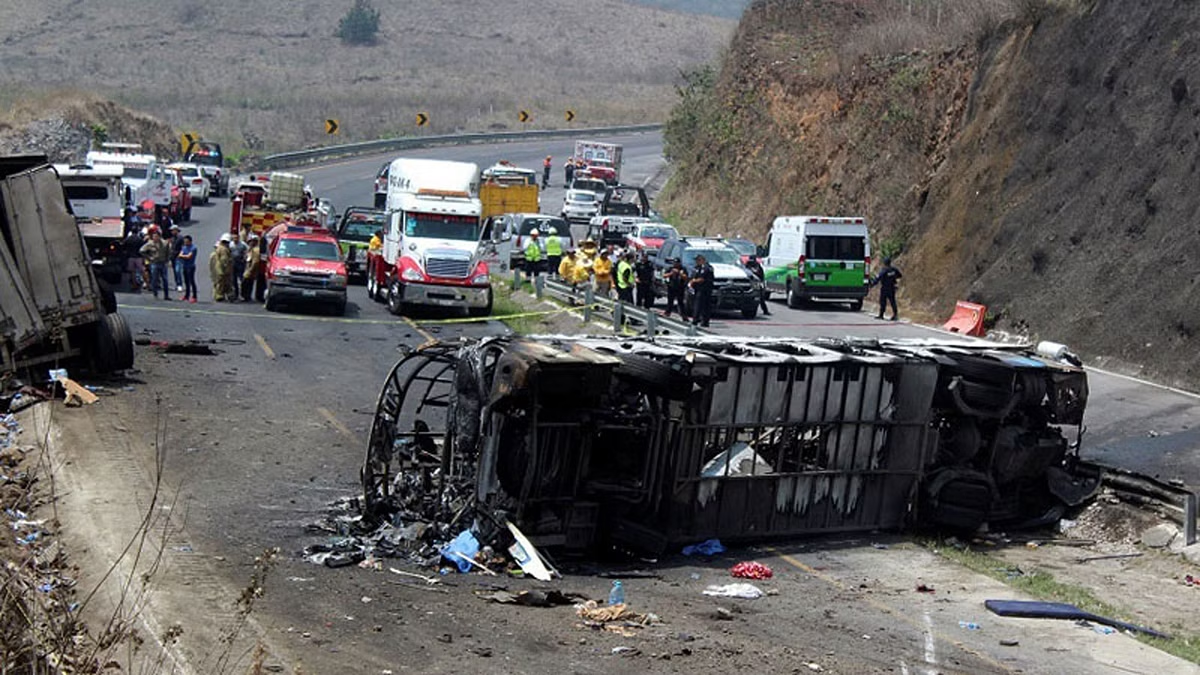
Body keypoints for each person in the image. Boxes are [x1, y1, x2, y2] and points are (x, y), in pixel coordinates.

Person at [139, 229, 172, 300]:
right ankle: (155, 294)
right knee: (154, 279)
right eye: (154, 236)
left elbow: (168, 252)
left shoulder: (165, 243)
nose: (155, 238)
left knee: (165, 279)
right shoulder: (150, 244)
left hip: (162, 263)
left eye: (156, 236)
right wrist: (149, 258)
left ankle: (166, 295)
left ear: (159, 237)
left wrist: (167, 260)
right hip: (154, 263)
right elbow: (142, 250)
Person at [872, 256, 903, 320]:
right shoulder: (894, 269)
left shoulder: (884, 270)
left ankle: (881, 315)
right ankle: (895, 315)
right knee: (893, 302)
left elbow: (878, 278)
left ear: (884, 263)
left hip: (885, 288)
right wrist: (894, 279)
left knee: (883, 301)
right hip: (892, 287)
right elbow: (900, 275)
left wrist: (872, 284)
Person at [689, 254, 715, 327]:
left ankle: (701, 321)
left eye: (698, 260)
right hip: (698, 289)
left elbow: (702, 279)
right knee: (698, 305)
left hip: (705, 289)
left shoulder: (707, 268)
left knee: (702, 306)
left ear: (702, 260)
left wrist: (693, 281)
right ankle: (699, 320)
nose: (696, 262)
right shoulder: (698, 267)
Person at [243, 234, 265, 302]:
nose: (250, 243)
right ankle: (247, 297)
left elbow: (255, 262)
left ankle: (247, 296)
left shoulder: (256, 250)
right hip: (248, 268)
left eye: (252, 241)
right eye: (250, 241)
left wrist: (251, 270)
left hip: (252, 270)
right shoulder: (250, 249)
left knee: (247, 283)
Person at [211, 236, 233, 301]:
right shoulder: (224, 249)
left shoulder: (219, 248)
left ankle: (218, 295)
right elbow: (224, 260)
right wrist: (226, 268)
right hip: (223, 269)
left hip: (218, 269)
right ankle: (220, 295)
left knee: (219, 282)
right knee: (224, 283)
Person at [123, 225, 145, 292]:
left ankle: (134, 285)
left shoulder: (128, 239)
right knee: (142, 270)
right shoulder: (139, 239)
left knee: (132, 272)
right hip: (138, 257)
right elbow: (143, 247)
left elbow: (124, 245)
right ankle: (146, 283)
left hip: (131, 257)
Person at [178, 235, 198, 302]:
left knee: (192, 281)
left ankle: (194, 297)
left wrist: (183, 256)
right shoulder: (184, 247)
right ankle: (186, 296)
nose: (185, 243)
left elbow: (188, 257)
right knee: (186, 282)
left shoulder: (193, 248)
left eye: (187, 242)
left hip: (191, 266)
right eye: (185, 242)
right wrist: (184, 256)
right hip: (185, 266)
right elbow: (180, 255)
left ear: (190, 241)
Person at [229, 231, 248, 301]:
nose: (235, 239)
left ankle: (242, 294)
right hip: (233, 263)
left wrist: (245, 257)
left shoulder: (243, 244)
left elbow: (248, 250)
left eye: (236, 238)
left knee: (241, 280)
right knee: (233, 280)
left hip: (240, 263)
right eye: (234, 238)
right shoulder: (230, 245)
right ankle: (235, 294)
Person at [167, 224, 184, 292]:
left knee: (177, 270)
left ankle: (180, 284)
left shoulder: (180, 238)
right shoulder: (172, 238)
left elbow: (183, 247)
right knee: (175, 271)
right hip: (172, 256)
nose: (172, 232)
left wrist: (181, 254)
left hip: (178, 256)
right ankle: (177, 284)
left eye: (173, 230)